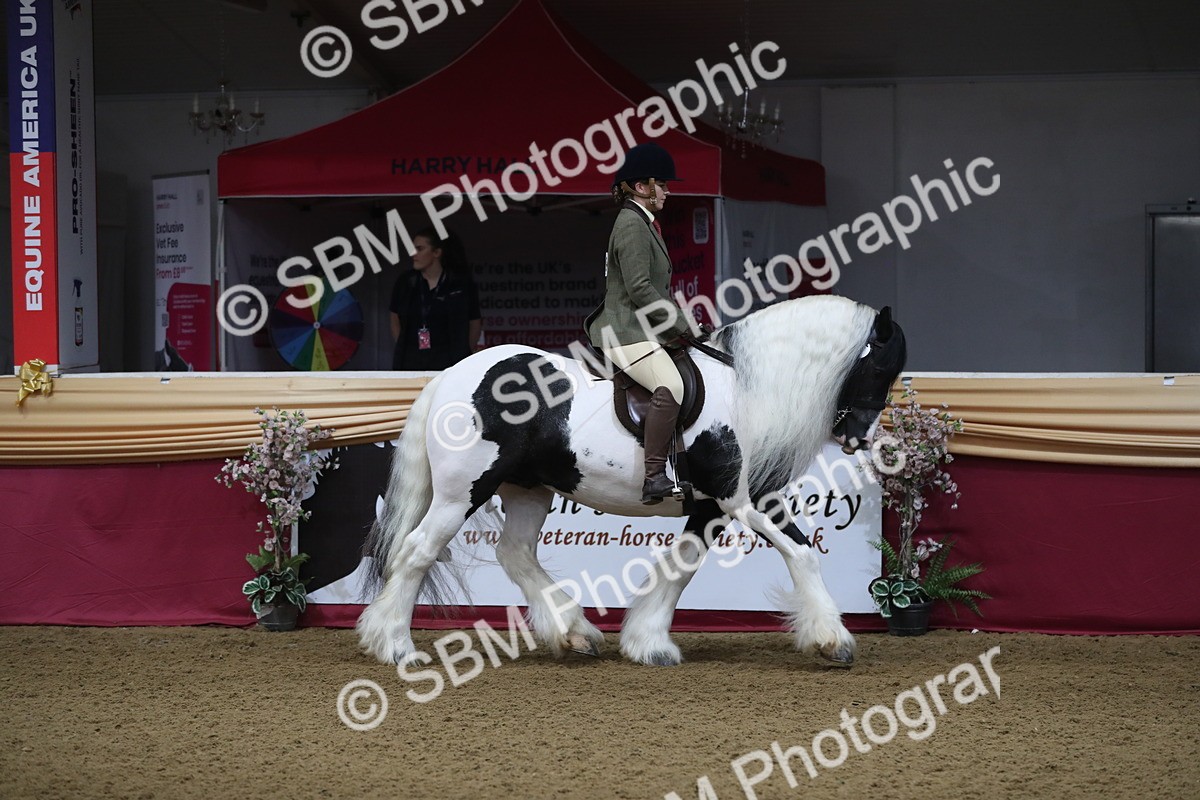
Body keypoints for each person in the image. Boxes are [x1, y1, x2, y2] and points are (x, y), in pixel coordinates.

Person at [585, 142, 707, 504]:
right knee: (671, 385)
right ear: (641, 187)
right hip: (624, 330)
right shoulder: (632, 225)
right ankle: (653, 476)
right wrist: (681, 325)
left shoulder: (643, 223)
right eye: (662, 185)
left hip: (640, 327)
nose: (667, 192)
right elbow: (639, 288)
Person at [390, 227, 483, 370]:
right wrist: (403, 348)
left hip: (449, 362)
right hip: (411, 361)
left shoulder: (460, 283)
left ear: (437, 253)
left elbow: (474, 322)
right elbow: (394, 318)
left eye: (420, 249)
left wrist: (462, 354)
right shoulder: (406, 282)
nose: (413, 254)